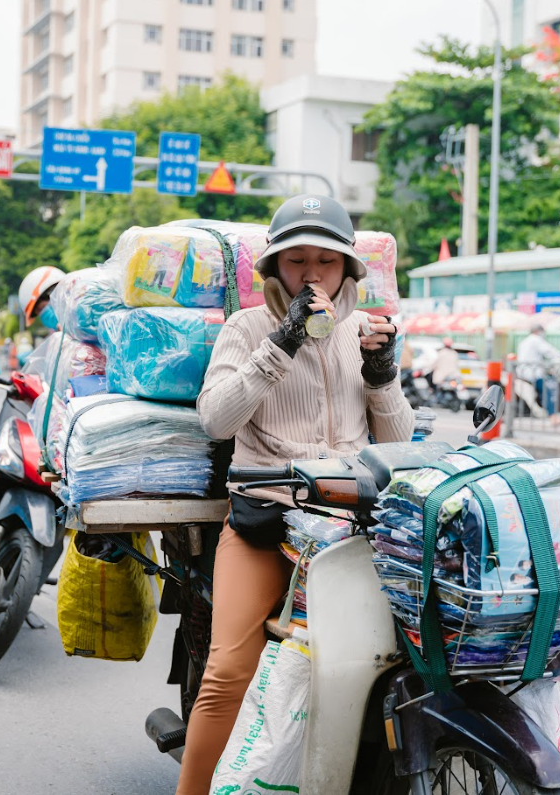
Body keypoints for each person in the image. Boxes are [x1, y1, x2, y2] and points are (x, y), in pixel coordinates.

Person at [178, 195, 415, 794]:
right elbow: (216, 420)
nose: (313, 275)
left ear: (347, 271)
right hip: (268, 524)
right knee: (229, 670)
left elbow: (398, 442)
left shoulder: (363, 333)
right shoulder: (247, 327)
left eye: (327, 262)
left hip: (353, 531)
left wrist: (383, 376)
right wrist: (278, 347)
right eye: (298, 261)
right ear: (276, 269)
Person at [517, 322, 560, 417]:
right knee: (548, 390)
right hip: (532, 374)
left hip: (523, 373)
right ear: (537, 331)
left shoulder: (524, 342)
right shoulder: (536, 340)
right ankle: (553, 416)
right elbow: (549, 351)